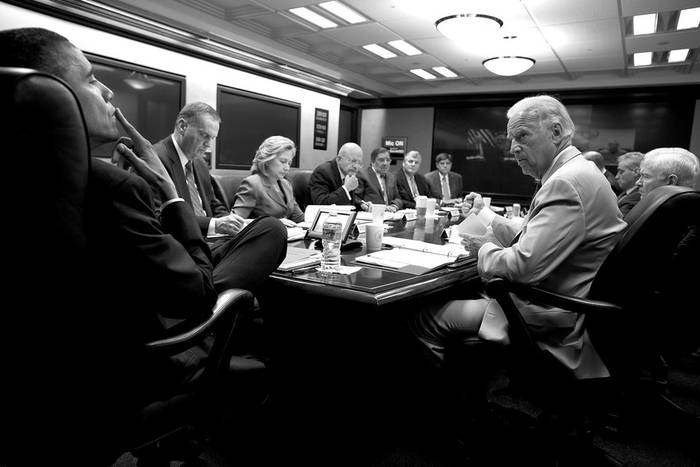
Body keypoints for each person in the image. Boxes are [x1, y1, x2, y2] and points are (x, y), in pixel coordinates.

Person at [0, 27, 287, 462]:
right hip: (150, 352)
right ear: (53, 95)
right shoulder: (108, 184)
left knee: (262, 231)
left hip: (64, 369)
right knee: (271, 234)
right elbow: (195, 292)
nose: (108, 89)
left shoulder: (33, 180)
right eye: (92, 78)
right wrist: (171, 195)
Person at [411, 95, 626, 380]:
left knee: (421, 317)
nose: (513, 148)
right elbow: (536, 235)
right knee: (460, 292)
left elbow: (523, 266)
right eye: (511, 139)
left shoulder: (565, 182)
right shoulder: (578, 172)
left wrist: (484, 249)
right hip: (569, 303)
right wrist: (489, 219)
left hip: (551, 316)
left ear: (556, 132)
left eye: (522, 136)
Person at [155, 103, 287, 294]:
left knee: (272, 228)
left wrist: (229, 222)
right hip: (184, 251)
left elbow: (214, 204)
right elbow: (160, 218)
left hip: (211, 246)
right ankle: (207, 297)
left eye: (213, 138)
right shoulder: (155, 159)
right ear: (182, 126)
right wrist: (215, 224)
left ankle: (213, 292)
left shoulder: (199, 163)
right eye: (204, 136)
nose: (209, 146)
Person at [231, 135, 304, 224]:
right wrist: (273, 223)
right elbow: (234, 222)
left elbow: (299, 218)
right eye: (283, 162)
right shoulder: (253, 184)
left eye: (289, 163)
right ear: (268, 160)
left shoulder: (286, 184)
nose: (287, 168)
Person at [309, 142, 363, 206]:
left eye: (359, 163)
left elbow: (350, 201)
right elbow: (322, 202)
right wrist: (346, 188)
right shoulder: (322, 172)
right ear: (339, 159)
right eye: (353, 161)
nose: (356, 166)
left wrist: (362, 205)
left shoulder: (351, 174)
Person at [356, 147, 403, 212]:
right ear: (372, 161)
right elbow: (356, 198)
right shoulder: (362, 175)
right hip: (370, 216)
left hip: (389, 216)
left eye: (388, 160)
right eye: (381, 160)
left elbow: (398, 198)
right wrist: (364, 205)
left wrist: (394, 206)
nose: (385, 163)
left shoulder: (391, 177)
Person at [614, 151, 644, 216]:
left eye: (621, 172)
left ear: (636, 172)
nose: (616, 177)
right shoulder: (627, 192)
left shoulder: (636, 198)